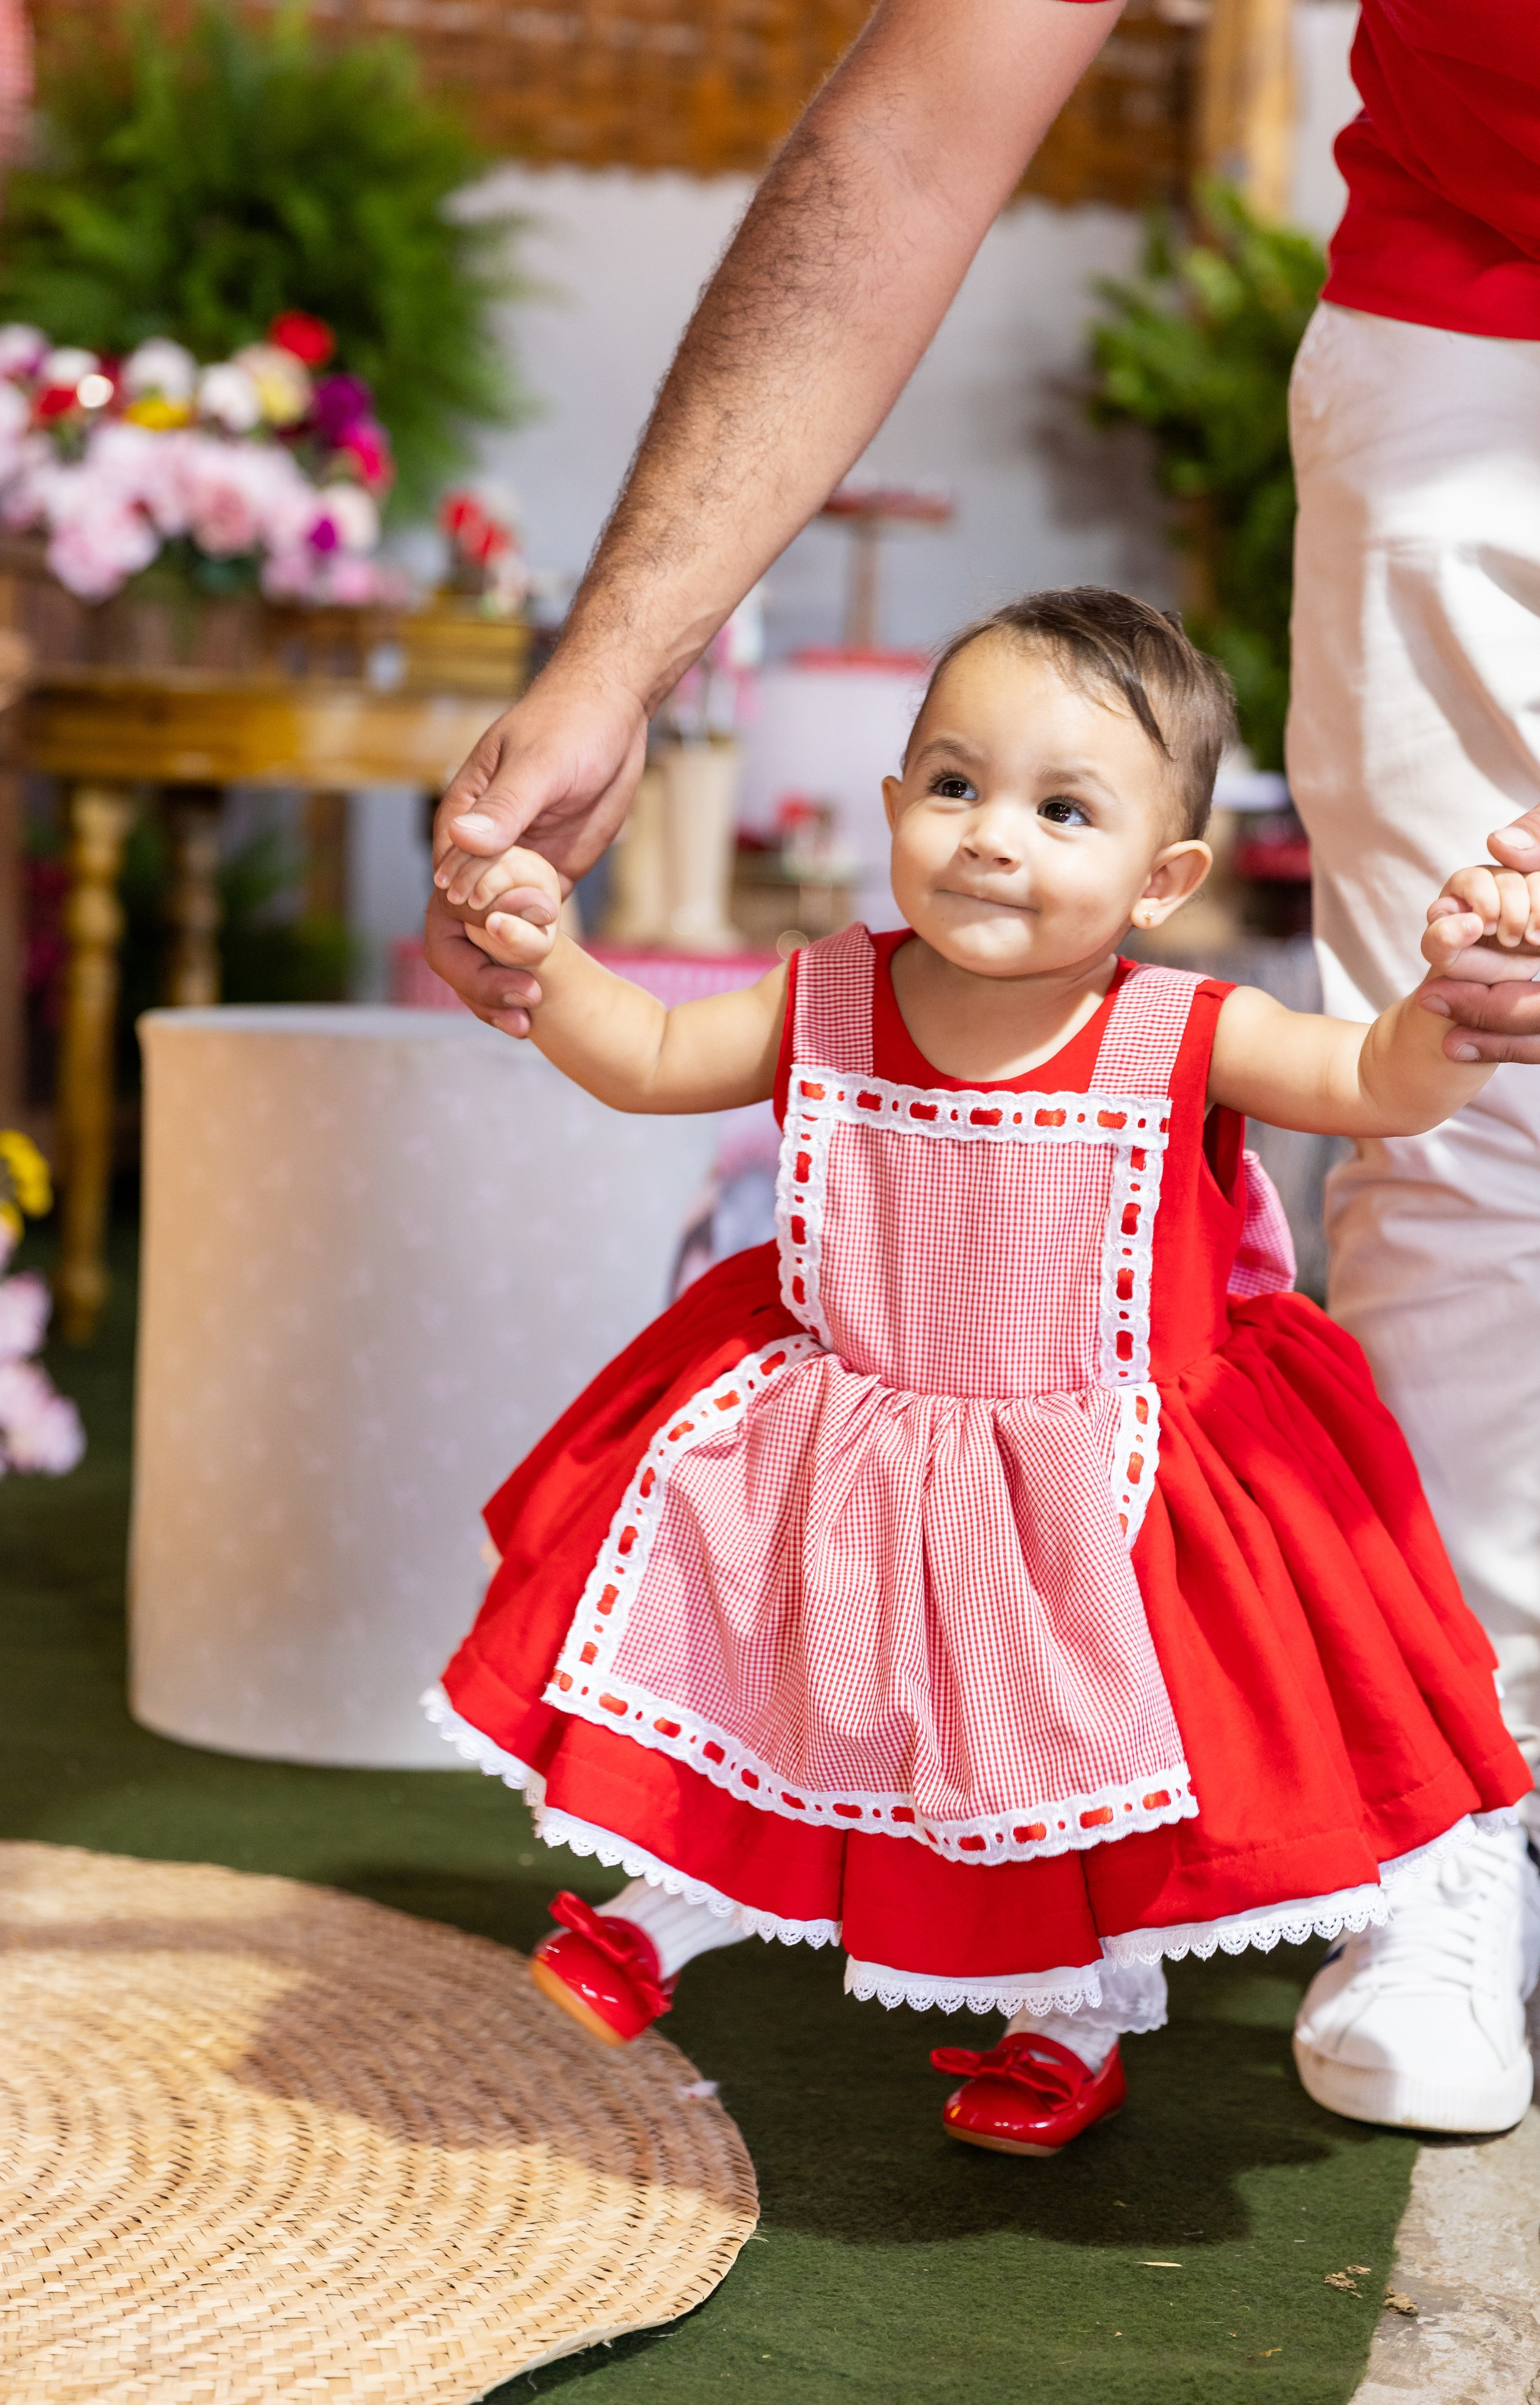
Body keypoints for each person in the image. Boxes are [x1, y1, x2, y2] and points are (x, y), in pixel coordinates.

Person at [425, 0, 1540, 2135]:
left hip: (1073, 1456)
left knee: (1068, 1741)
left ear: (1169, 875)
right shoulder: (843, 996)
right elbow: (661, 1051)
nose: (985, 840)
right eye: (950, 783)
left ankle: (1096, 1988)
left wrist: (1424, 1032)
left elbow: (1374, 1081)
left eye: (1058, 811)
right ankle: (1451, 1847)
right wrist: (532, 944)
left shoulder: (1175, 1031)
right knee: (794, 1687)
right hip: (1470, 296)